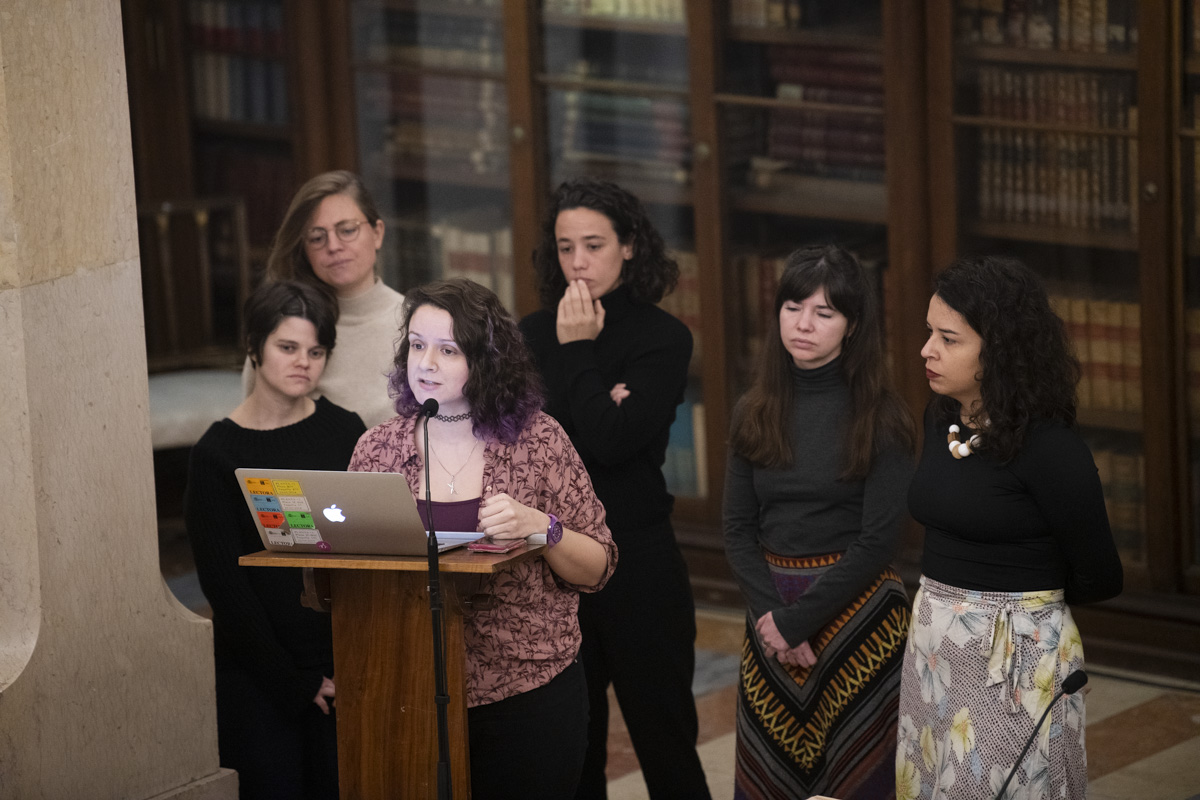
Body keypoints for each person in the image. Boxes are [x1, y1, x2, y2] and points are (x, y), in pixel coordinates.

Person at [348, 278, 618, 800]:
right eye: (418, 345)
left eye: (448, 350)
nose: (425, 363)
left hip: (527, 691)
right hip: (411, 690)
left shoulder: (539, 440)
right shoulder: (377, 450)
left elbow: (600, 566)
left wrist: (542, 527)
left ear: (487, 358)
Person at [900, 255, 1123, 800]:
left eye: (948, 339)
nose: (927, 350)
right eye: (930, 332)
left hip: (1015, 659)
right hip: (934, 648)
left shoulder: (1050, 448)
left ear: (998, 351)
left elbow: (1100, 575)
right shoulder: (941, 417)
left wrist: (1012, 609)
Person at [519, 177, 711, 800]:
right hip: (553, 561)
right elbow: (525, 445)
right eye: (565, 246)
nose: (578, 262)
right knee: (574, 751)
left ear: (629, 247)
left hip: (639, 560)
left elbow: (607, 442)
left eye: (594, 245)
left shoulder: (664, 337)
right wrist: (602, 397)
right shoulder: (528, 334)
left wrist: (578, 356)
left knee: (666, 743)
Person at [723, 245, 916, 800]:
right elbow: (736, 529)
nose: (803, 324)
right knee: (770, 775)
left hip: (859, 619)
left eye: (824, 313)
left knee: (858, 779)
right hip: (771, 615)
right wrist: (774, 620)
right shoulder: (753, 409)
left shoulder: (882, 416)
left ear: (852, 326)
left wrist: (799, 618)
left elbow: (880, 541)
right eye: (793, 307)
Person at [185, 280, 367, 799]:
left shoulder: (344, 430)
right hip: (259, 675)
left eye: (316, 351)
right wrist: (292, 682)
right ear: (255, 348)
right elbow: (226, 589)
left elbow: (365, 550)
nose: (302, 362)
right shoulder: (216, 454)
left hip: (344, 660)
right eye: (287, 347)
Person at [242, 170, 405, 428]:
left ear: (377, 233)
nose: (333, 246)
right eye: (317, 237)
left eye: (347, 230)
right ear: (303, 249)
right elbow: (256, 429)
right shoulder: (283, 324)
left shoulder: (417, 323)